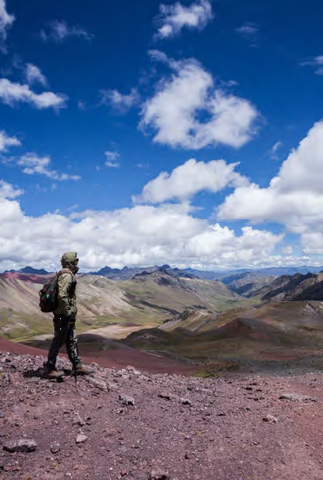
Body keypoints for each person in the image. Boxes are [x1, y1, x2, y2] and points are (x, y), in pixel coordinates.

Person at [44, 252, 92, 379]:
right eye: (75, 261)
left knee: (72, 339)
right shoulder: (66, 275)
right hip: (63, 316)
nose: (77, 263)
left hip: (66, 315)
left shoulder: (67, 274)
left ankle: (77, 365)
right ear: (70, 262)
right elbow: (62, 295)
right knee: (58, 340)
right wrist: (68, 313)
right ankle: (49, 368)